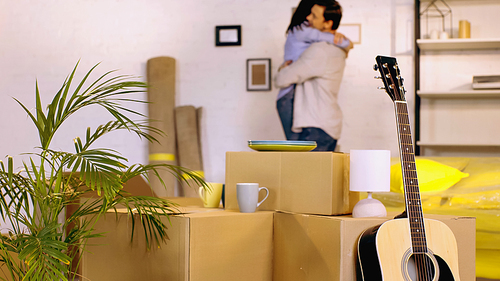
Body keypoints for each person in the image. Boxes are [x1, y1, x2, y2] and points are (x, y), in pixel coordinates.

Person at [275, 0, 349, 151]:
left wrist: (281, 70)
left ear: (327, 23)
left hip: (316, 126)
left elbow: (282, 79)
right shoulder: (337, 50)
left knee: (304, 173)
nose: (308, 18)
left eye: (314, 16)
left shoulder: (319, 50)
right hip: (328, 124)